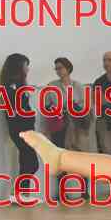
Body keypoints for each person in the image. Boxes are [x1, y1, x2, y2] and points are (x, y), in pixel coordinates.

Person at [45, 58, 92, 198]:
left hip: (77, 126)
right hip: (60, 126)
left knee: (82, 158)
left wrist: (73, 107)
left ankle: (84, 190)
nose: (58, 71)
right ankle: (62, 192)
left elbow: (85, 106)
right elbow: (47, 106)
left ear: (68, 68)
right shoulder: (52, 86)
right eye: (56, 68)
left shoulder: (78, 86)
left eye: (60, 68)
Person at [0, 53, 38, 203]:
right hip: (21, 129)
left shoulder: (19, 85)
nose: (27, 69)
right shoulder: (11, 86)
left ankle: (22, 195)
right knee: (31, 163)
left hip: (26, 127)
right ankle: (20, 194)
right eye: (25, 66)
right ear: (18, 67)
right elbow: (14, 110)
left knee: (26, 160)